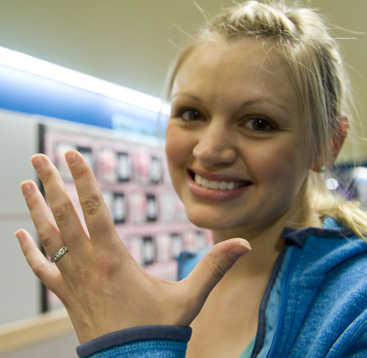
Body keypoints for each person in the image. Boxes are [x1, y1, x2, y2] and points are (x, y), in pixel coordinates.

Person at [15, 1, 367, 357]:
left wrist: (127, 349)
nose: (210, 150)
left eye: (259, 123)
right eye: (191, 113)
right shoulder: (189, 271)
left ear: (327, 146)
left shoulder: (356, 310)